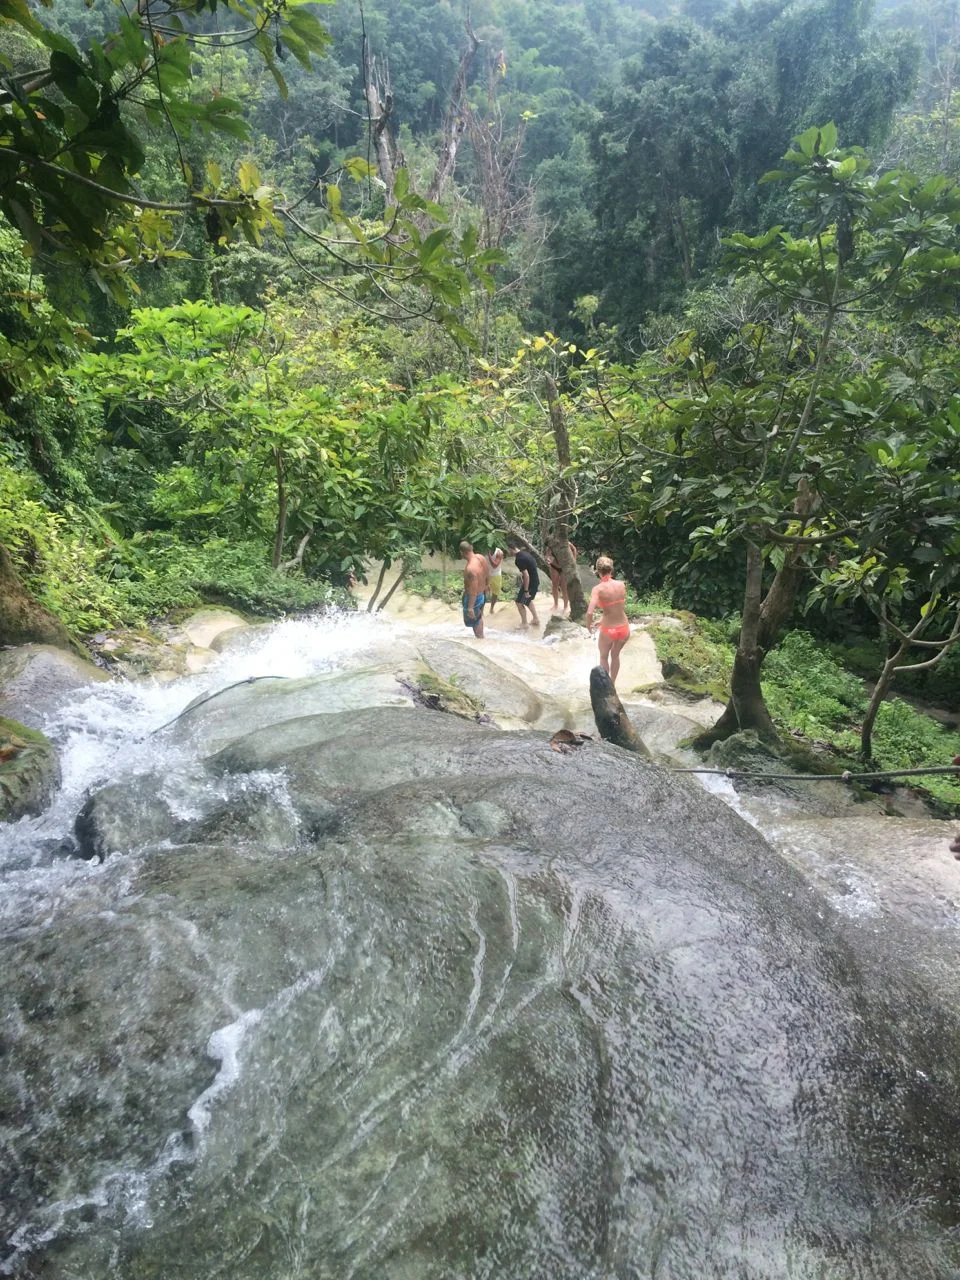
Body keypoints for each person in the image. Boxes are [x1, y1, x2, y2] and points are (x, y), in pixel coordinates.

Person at [585, 555, 630, 687]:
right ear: (611, 570)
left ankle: (606, 687)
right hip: (623, 628)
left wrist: (589, 626)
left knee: (604, 657)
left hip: (609, 630)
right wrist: (602, 619)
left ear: (598, 571)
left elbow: (589, 612)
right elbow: (616, 607)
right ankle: (613, 684)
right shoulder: (621, 585)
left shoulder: (598, 589)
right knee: (615, 656)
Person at [508, 541, 540, 628]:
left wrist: (526, 590)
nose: (509, 553)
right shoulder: (525, 554)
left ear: (511, 549)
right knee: (528, 600)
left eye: (509, 550)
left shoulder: (519, 559)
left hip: (530, 583)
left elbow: (526, 575)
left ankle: (524, 623)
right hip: (534, 581)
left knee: (519, 602)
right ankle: (535, 619)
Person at [459, 540, 486, 638]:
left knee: (474, 621)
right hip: (481, 594)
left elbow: (473, 590)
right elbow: (487, 572)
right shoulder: (480, 558)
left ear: (462, 552)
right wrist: (487, 586)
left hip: (474, 598)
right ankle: (481, 637)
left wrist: (470, 607)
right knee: (478, 618)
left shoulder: (471, 569)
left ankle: (480, 639)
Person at [546, 539, 578, 613]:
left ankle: (566, 606)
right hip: (554, 566)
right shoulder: (552, 544)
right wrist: (548, 559)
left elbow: (574, 549)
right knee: (554, 584)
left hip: (565, 566)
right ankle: (556, 604)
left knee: (564, 586)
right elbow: (548, 553)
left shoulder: (566, 543)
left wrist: (574, 560)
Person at [485, 546, 504, 614]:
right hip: (486, 574)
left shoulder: (499, 552)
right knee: (483, 592)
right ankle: (481, 611)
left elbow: (495, 565)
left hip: (496, 575)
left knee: (495, 593)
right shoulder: (482, 549)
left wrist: (489, 554)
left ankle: (491, 608)